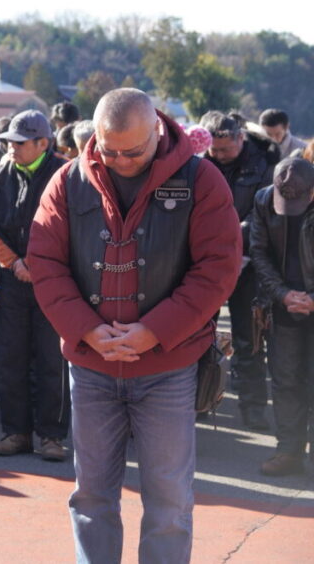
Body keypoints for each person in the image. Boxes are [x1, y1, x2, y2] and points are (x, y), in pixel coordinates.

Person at [28, 88, 240, 563]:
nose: (121, 160)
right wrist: (84, 328)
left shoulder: (201, 180)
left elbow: (218, 268)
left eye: (134, 151)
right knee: (91, 496)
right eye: (110, 150)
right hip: (92, 365)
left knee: (168, 501)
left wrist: (156, 330)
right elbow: (44, 262)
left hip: (169, 366)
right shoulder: (67, 180)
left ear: (157, 131)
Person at [0, 110, 69, 461]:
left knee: (53, 359)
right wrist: (14, 262)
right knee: (11, 358)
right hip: (11, 281)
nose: (12, 148)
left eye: (20, 143)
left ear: (43, 143)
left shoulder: (66, 174)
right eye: (9, 142)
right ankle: (15, 432)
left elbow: (68, 229)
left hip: (53, 282)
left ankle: (51, 436)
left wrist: (36, 264)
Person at [199, 111, 278, 430]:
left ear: (240, 139)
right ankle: (200, 400)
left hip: (247, 263)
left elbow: (267, 213)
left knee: (249, 340)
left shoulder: (263, 163)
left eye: (224, 150)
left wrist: (237, 238)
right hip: (205, 263)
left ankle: (254, 408)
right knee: (200, 337)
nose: (218, 156)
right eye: (213, 151)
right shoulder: (199, 163)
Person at [250, 157, 314, 476]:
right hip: (282, 302)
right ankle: (288, 450)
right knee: (285, 379)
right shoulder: (263, 200)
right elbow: (258, 251)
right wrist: (282, 294)